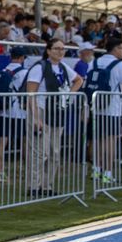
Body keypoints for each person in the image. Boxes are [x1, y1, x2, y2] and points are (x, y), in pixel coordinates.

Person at [25, 38, 83, 196]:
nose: (60, 51)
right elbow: (31, 93)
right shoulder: (39, 67)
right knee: (39, 151)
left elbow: (79, 80)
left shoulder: (64, 67)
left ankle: (47, 185)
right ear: (49, 50)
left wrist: (69, 96)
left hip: (57, 112)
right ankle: (33, 186)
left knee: (54, 152)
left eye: (62, 48)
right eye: (56, 48)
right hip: (42, 110)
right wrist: (36, 117)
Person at [88, 38, 122, 184]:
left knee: (97, 140)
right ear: (115, 49)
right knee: (110, 142)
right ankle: (107, 172)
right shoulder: (120, 65)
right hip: (112, 109)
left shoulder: (94, 62)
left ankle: (96, 170)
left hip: (96, 107)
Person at [0, 47, 28, 182]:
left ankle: (0, 172)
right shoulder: (25, 72)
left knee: (1, 142)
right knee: (25, 141)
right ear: (22, 58)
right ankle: (28, 170)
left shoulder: (4, 70)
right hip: (19, 112)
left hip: (3, 111)